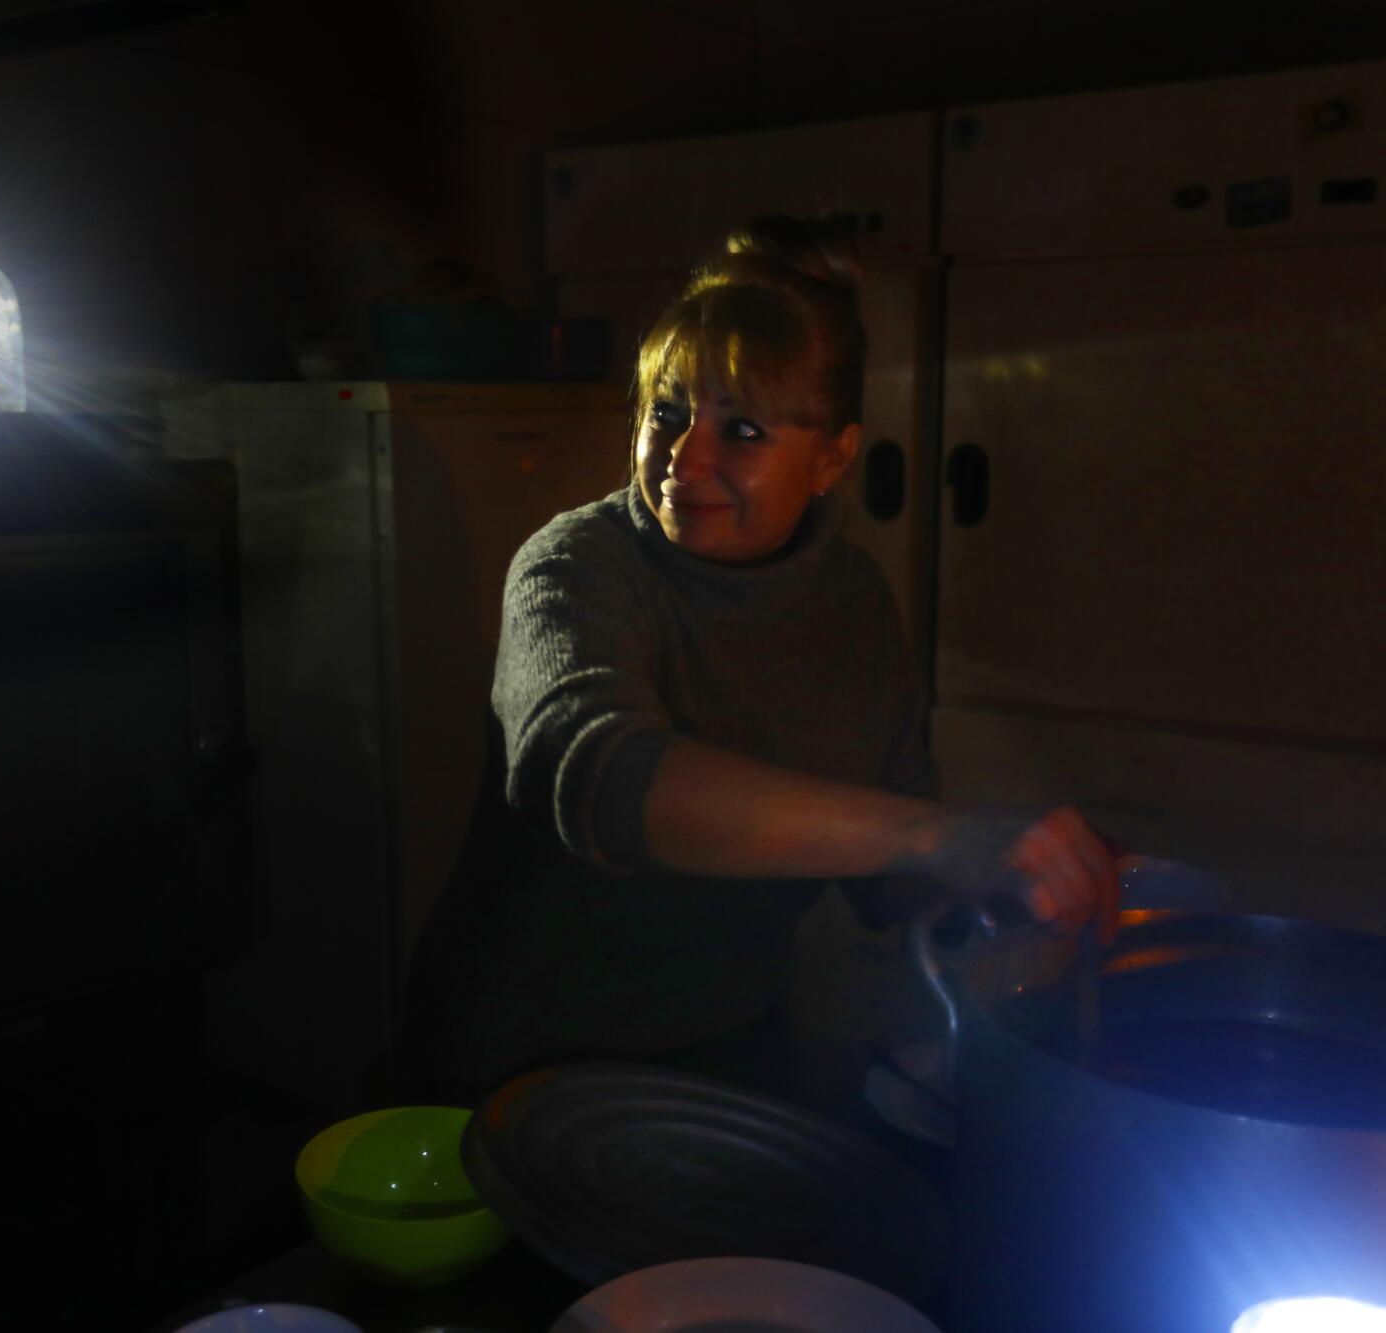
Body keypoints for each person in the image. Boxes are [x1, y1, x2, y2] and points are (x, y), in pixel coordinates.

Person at [401, 216, 1117, 1105]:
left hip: (726, 1052)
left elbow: (888, 876)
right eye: (667, 412)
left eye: (741, 429)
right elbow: (607, 781)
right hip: (521, 1067)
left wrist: (1019, 885)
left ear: (832, 458)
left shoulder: (851, 599)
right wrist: (939, 837)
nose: (683, 458)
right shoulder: (578, 566)